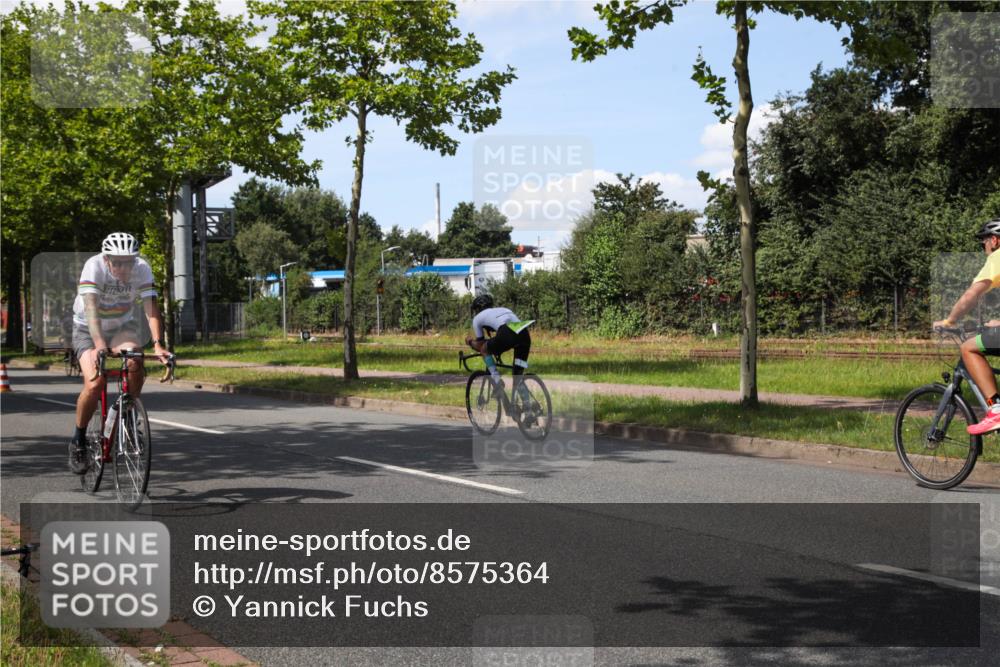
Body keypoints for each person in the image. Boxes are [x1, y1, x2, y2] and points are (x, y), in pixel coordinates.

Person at [68, 232, 169, 474]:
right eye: (117, 262)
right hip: (87, 327)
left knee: (135, 359)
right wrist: (100, 345)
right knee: (95, 382)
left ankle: (129, 415)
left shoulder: (142, 268)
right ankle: (78, 440)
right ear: (106, 259)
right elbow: (91, 310)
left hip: (121, 326)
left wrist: (158, 344)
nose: (124, 268)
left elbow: (150, 308)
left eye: (129, 262)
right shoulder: (93, 267)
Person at [932, 217, 1000, 435]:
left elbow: (971, 295)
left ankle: (996, 409)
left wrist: (948, 321)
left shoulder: (997, 258)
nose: (984, 249)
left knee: (968, 347)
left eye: (983, 243)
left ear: (994, 240)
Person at [465, 294, 534, 399]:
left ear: (478, 309)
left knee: (484, 349)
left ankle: (497, 381)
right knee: (517, 376)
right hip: (524, 335)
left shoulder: (477, 318)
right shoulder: (503, 309)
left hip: (506, 333)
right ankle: (529, 410)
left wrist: (470, 342)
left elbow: (480, 345)